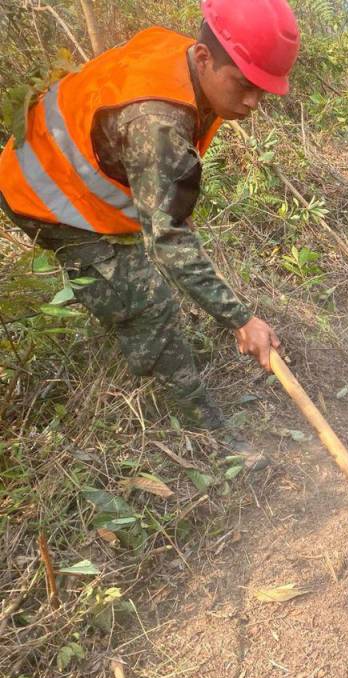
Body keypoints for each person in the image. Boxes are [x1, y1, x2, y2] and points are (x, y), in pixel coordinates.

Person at [0, 0, 299, 441]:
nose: (253, 102)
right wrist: (240, 319)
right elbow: (167, 239)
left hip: (67, 166)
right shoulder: (156, 122)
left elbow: (165, 205)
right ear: (203, 58)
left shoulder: (192, 66)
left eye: (263, 89)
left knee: (143, 276)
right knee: (149, 302)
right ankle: (212, 438)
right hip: (41, 191)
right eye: (243, 85)